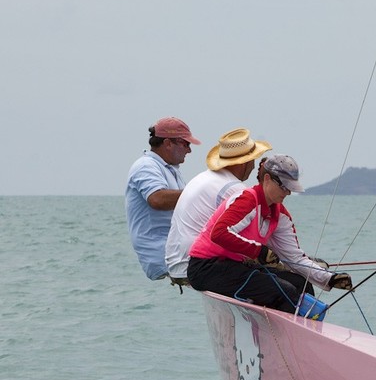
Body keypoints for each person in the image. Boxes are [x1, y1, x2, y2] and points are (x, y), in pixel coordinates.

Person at [187, 155, 352, 312]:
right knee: (284, 291)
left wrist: (329, 278)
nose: (287, 192)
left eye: (290, 188)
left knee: (302, 285)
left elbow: (295, 258)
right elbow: (219, 233)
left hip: (235, 267)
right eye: (284, 186)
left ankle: (306, 332)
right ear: (267, 179)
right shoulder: (248, 200)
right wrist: (259, 251)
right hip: (205, 268)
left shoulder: (281, 215)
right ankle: (285, 336)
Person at [165, 128, 272, 285]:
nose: (253, 166)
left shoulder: (202, 177)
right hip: (197, 266)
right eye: (253, 160)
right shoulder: (236, 190)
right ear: (246, 162)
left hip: (174, 263)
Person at [125, 117, 201, 279]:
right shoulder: (145, 166)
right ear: (168, 143)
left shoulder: (169, 169)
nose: (189, 150)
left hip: (177, 252)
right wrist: (200, 193)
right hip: (164, 257)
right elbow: (157, 199)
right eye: (186, 144)